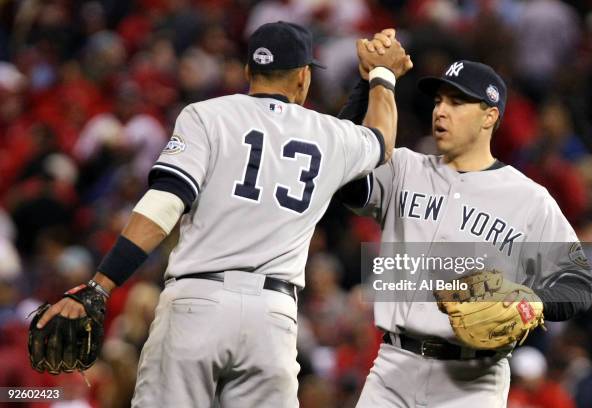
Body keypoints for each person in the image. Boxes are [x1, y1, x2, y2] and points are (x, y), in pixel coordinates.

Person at [32, 22, 413, 407]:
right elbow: (381, 138)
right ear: (303, 77)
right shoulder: (329, 134)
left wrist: (101, 285)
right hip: (273, 318)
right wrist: (380, 75)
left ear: (249, 71)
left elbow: (165, 202)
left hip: (198, 302)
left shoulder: (206, 115)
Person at [336, 32, 592, 407]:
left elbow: (580, 285)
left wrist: (529, 302)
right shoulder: (405, 166)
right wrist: (367, 80)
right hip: (394, 368)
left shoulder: (528, 198)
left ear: (490, 116)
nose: (441, 110)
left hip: (473, 382)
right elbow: (344, 173)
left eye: (457, 102)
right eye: (439, 100)